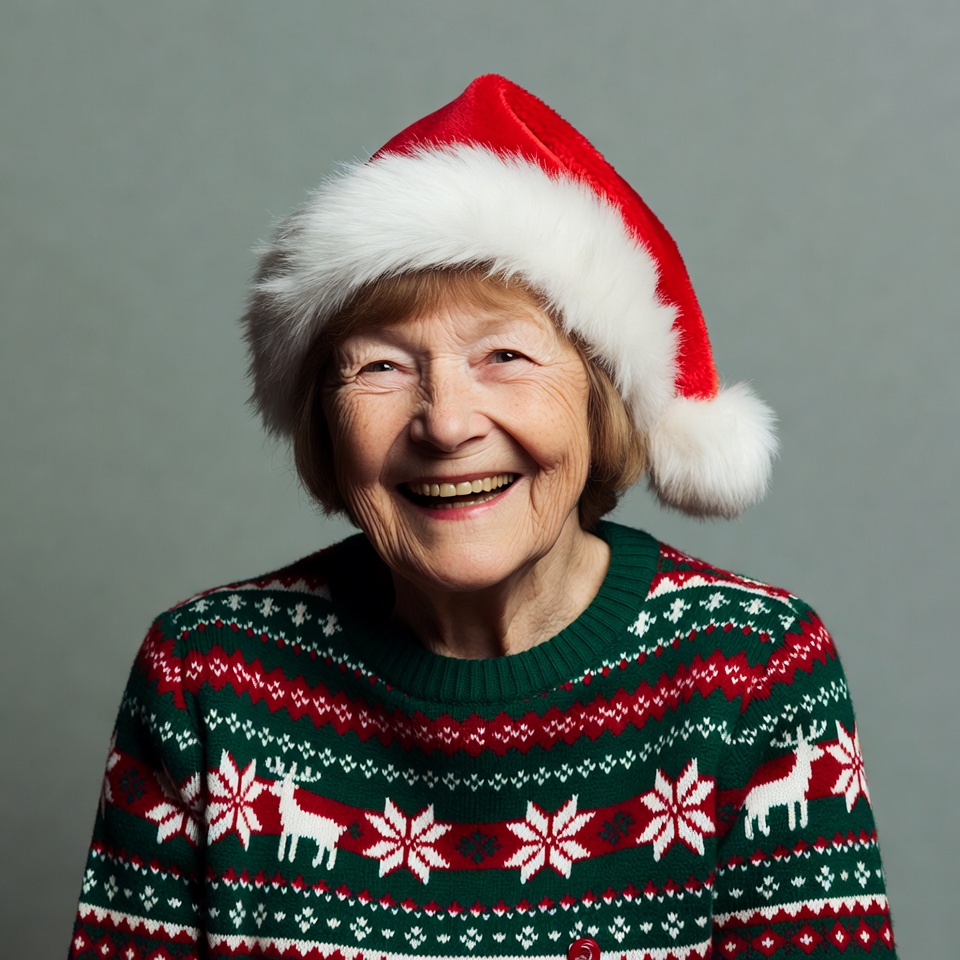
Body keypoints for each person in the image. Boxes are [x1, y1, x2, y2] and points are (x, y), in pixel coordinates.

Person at [69, 75, 896, 959]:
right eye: (381, 368)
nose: (448, 423)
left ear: (599, 398)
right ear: (325, 423)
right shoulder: (206, 680)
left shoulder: (753, 672)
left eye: (504, 355)